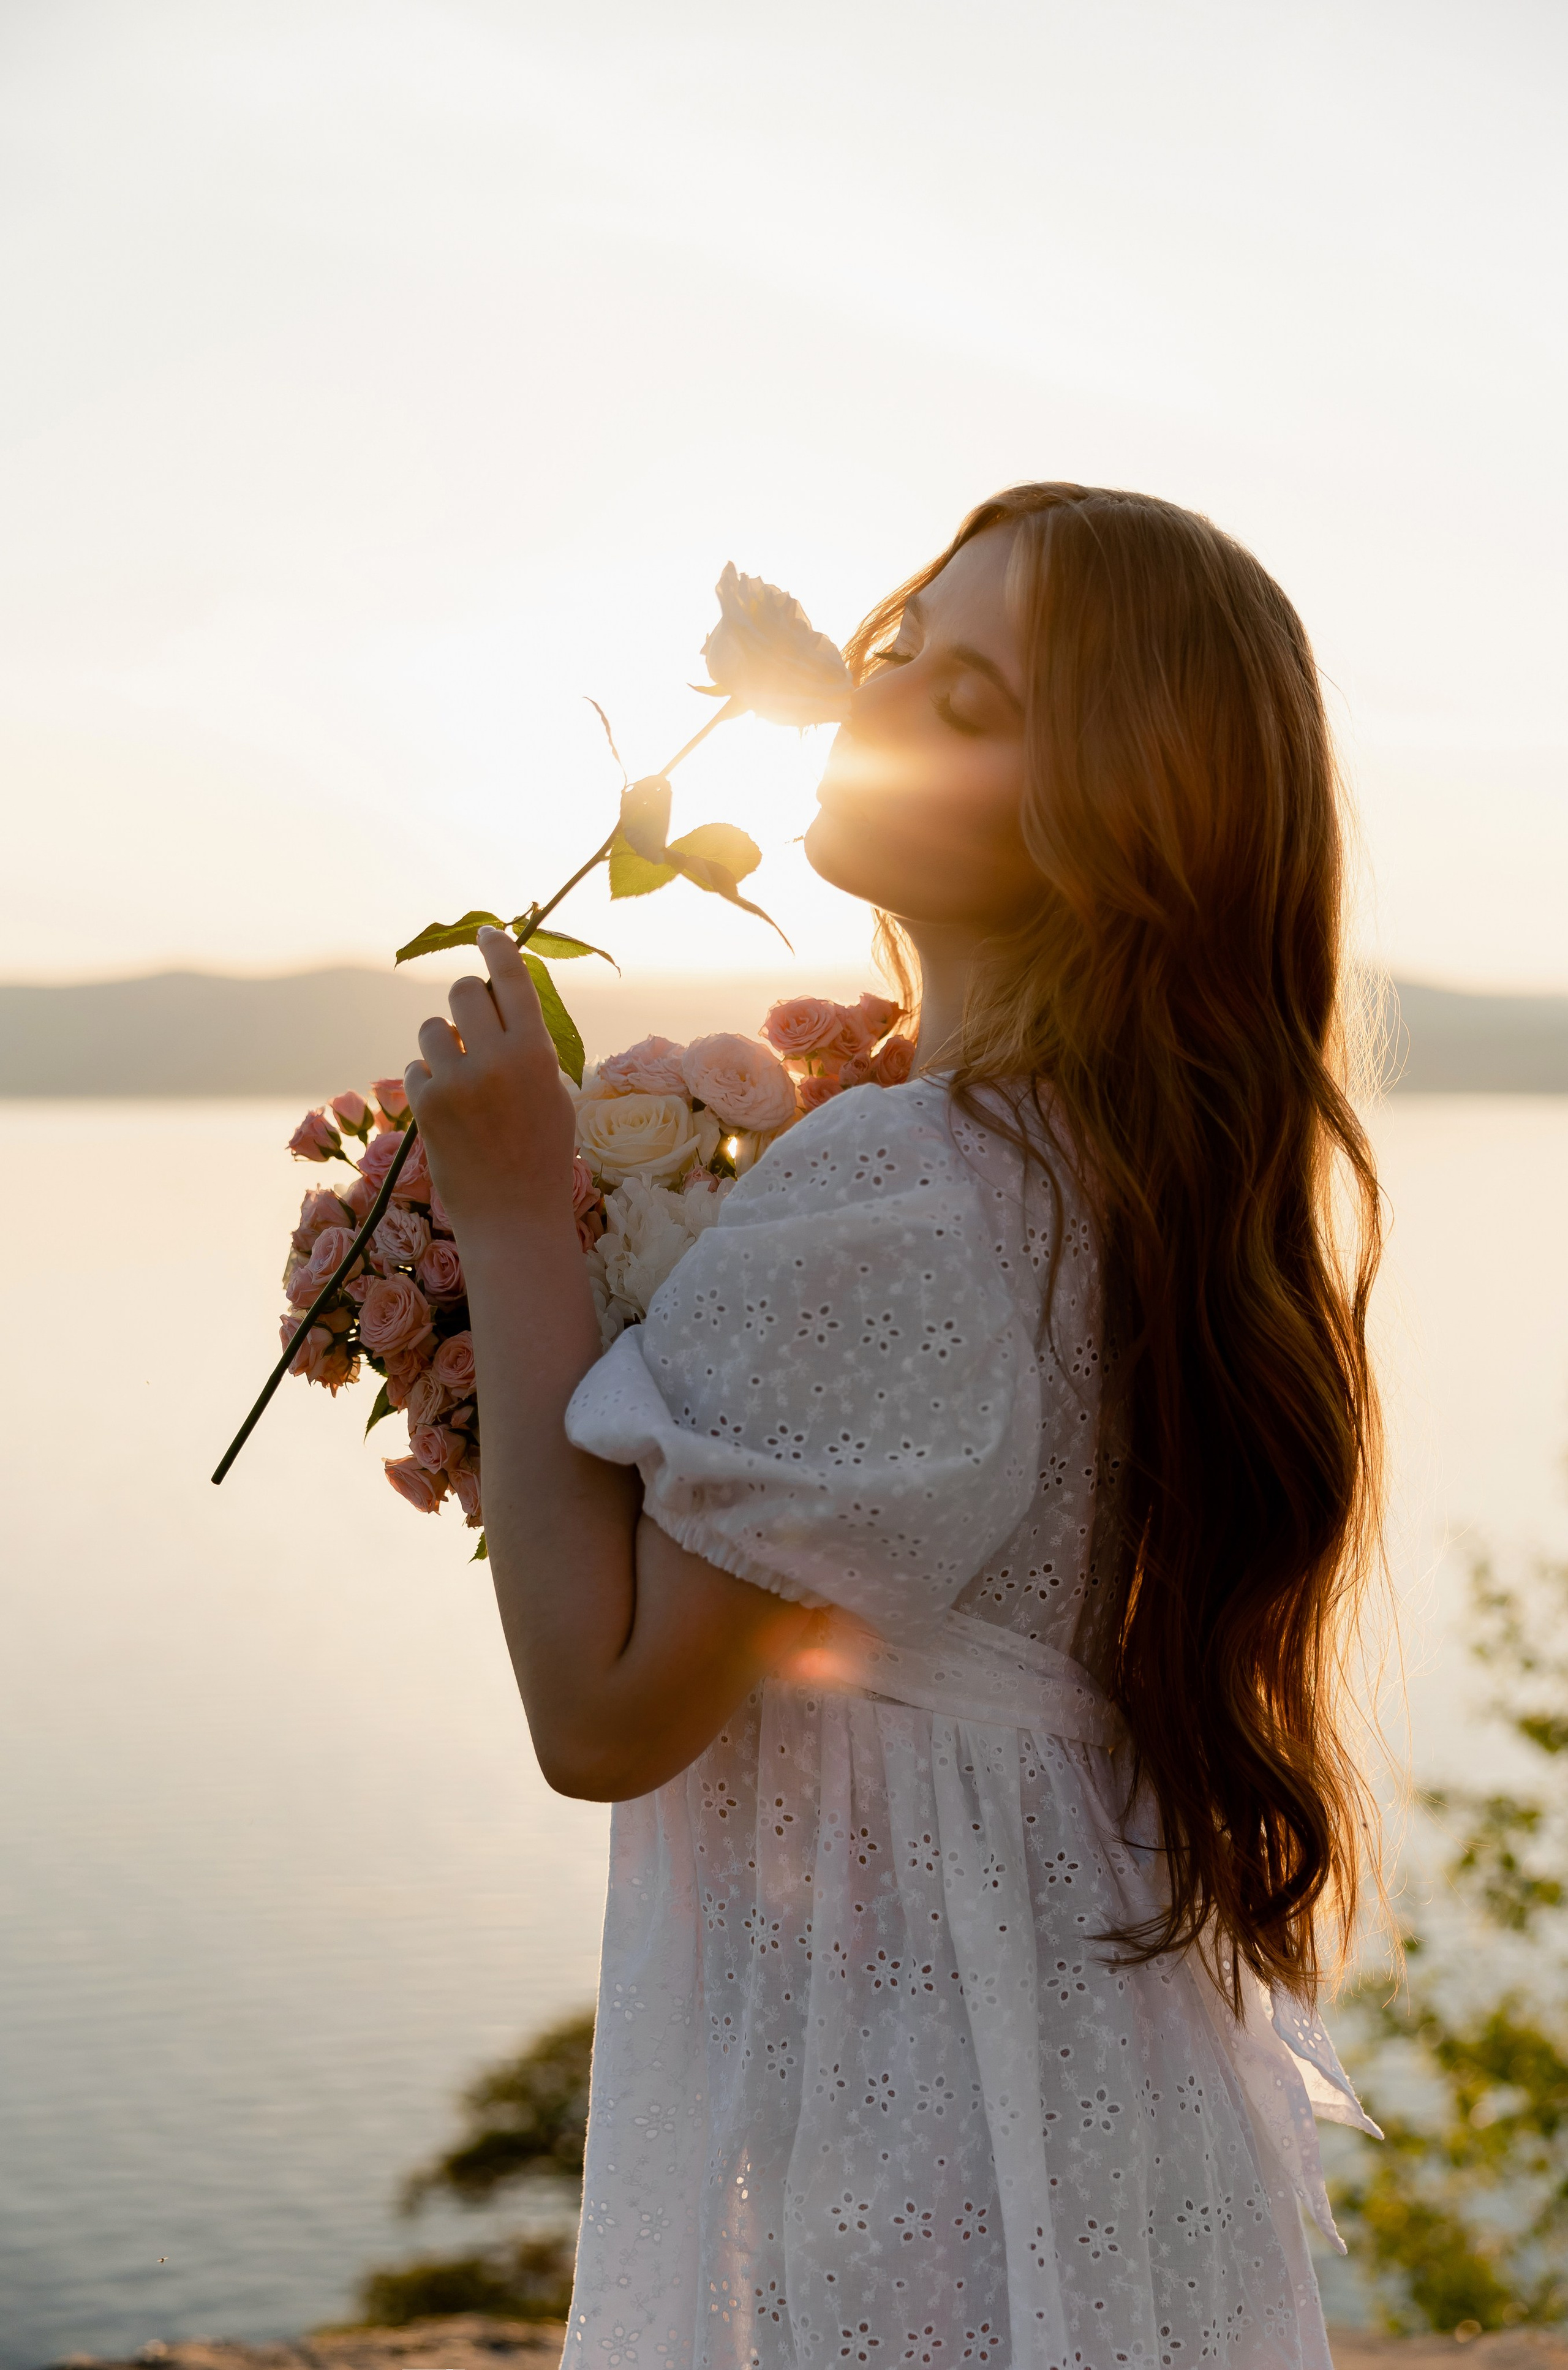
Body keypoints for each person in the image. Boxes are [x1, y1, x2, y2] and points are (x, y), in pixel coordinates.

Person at [406, 483, 1386, 2370]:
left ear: (1125, 807)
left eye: (969, 698)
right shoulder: (1116, 1178)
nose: (881, 704)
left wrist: (519, 1218)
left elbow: (602, 1714)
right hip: (1090, 2084)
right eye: (894, 653)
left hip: (921, 2121)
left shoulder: (908, 1180)